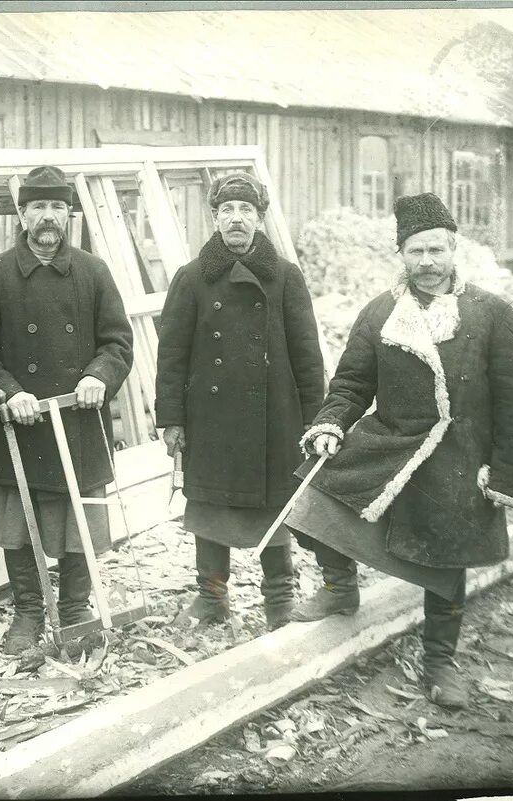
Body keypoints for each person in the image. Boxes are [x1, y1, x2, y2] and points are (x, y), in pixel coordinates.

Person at [288, 192, 513, 709]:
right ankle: (340, 586)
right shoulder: (380, 311)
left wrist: (507, 475)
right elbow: (352, 383)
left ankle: (440, 661)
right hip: (392, 441)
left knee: (447, 559)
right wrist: (331, 424)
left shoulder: (491, 313)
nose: (427, 263)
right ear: (400, 254)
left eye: (436, 251)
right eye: (416, 252)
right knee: (312, 493)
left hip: (462, 455)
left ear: (454, 251)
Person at [0, 165, 134, 654]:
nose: (48, 216)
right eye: (38, 206)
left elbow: (118, 340)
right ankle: (29, 613)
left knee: (78, 520)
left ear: (69, 214)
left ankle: (76, 608)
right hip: (21, 423)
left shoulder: (93, 271)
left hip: (78, 419)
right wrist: (8, 391)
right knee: (19, 523)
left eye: (57, 206)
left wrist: (99, 375)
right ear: (22, 214)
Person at [155, 171, 326, 631]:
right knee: (209, 505)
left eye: (246, 210)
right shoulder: (191, 278)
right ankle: (212, 597)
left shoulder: (286, 277)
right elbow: (171, 354)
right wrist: (171, 418)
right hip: (209, 418)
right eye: (227, 210)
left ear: (260, 219)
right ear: (214, 218)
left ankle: (279, 599)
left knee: (274, 503)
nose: (236, 219)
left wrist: (318, 421)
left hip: (275, 417)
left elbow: (308, 357)